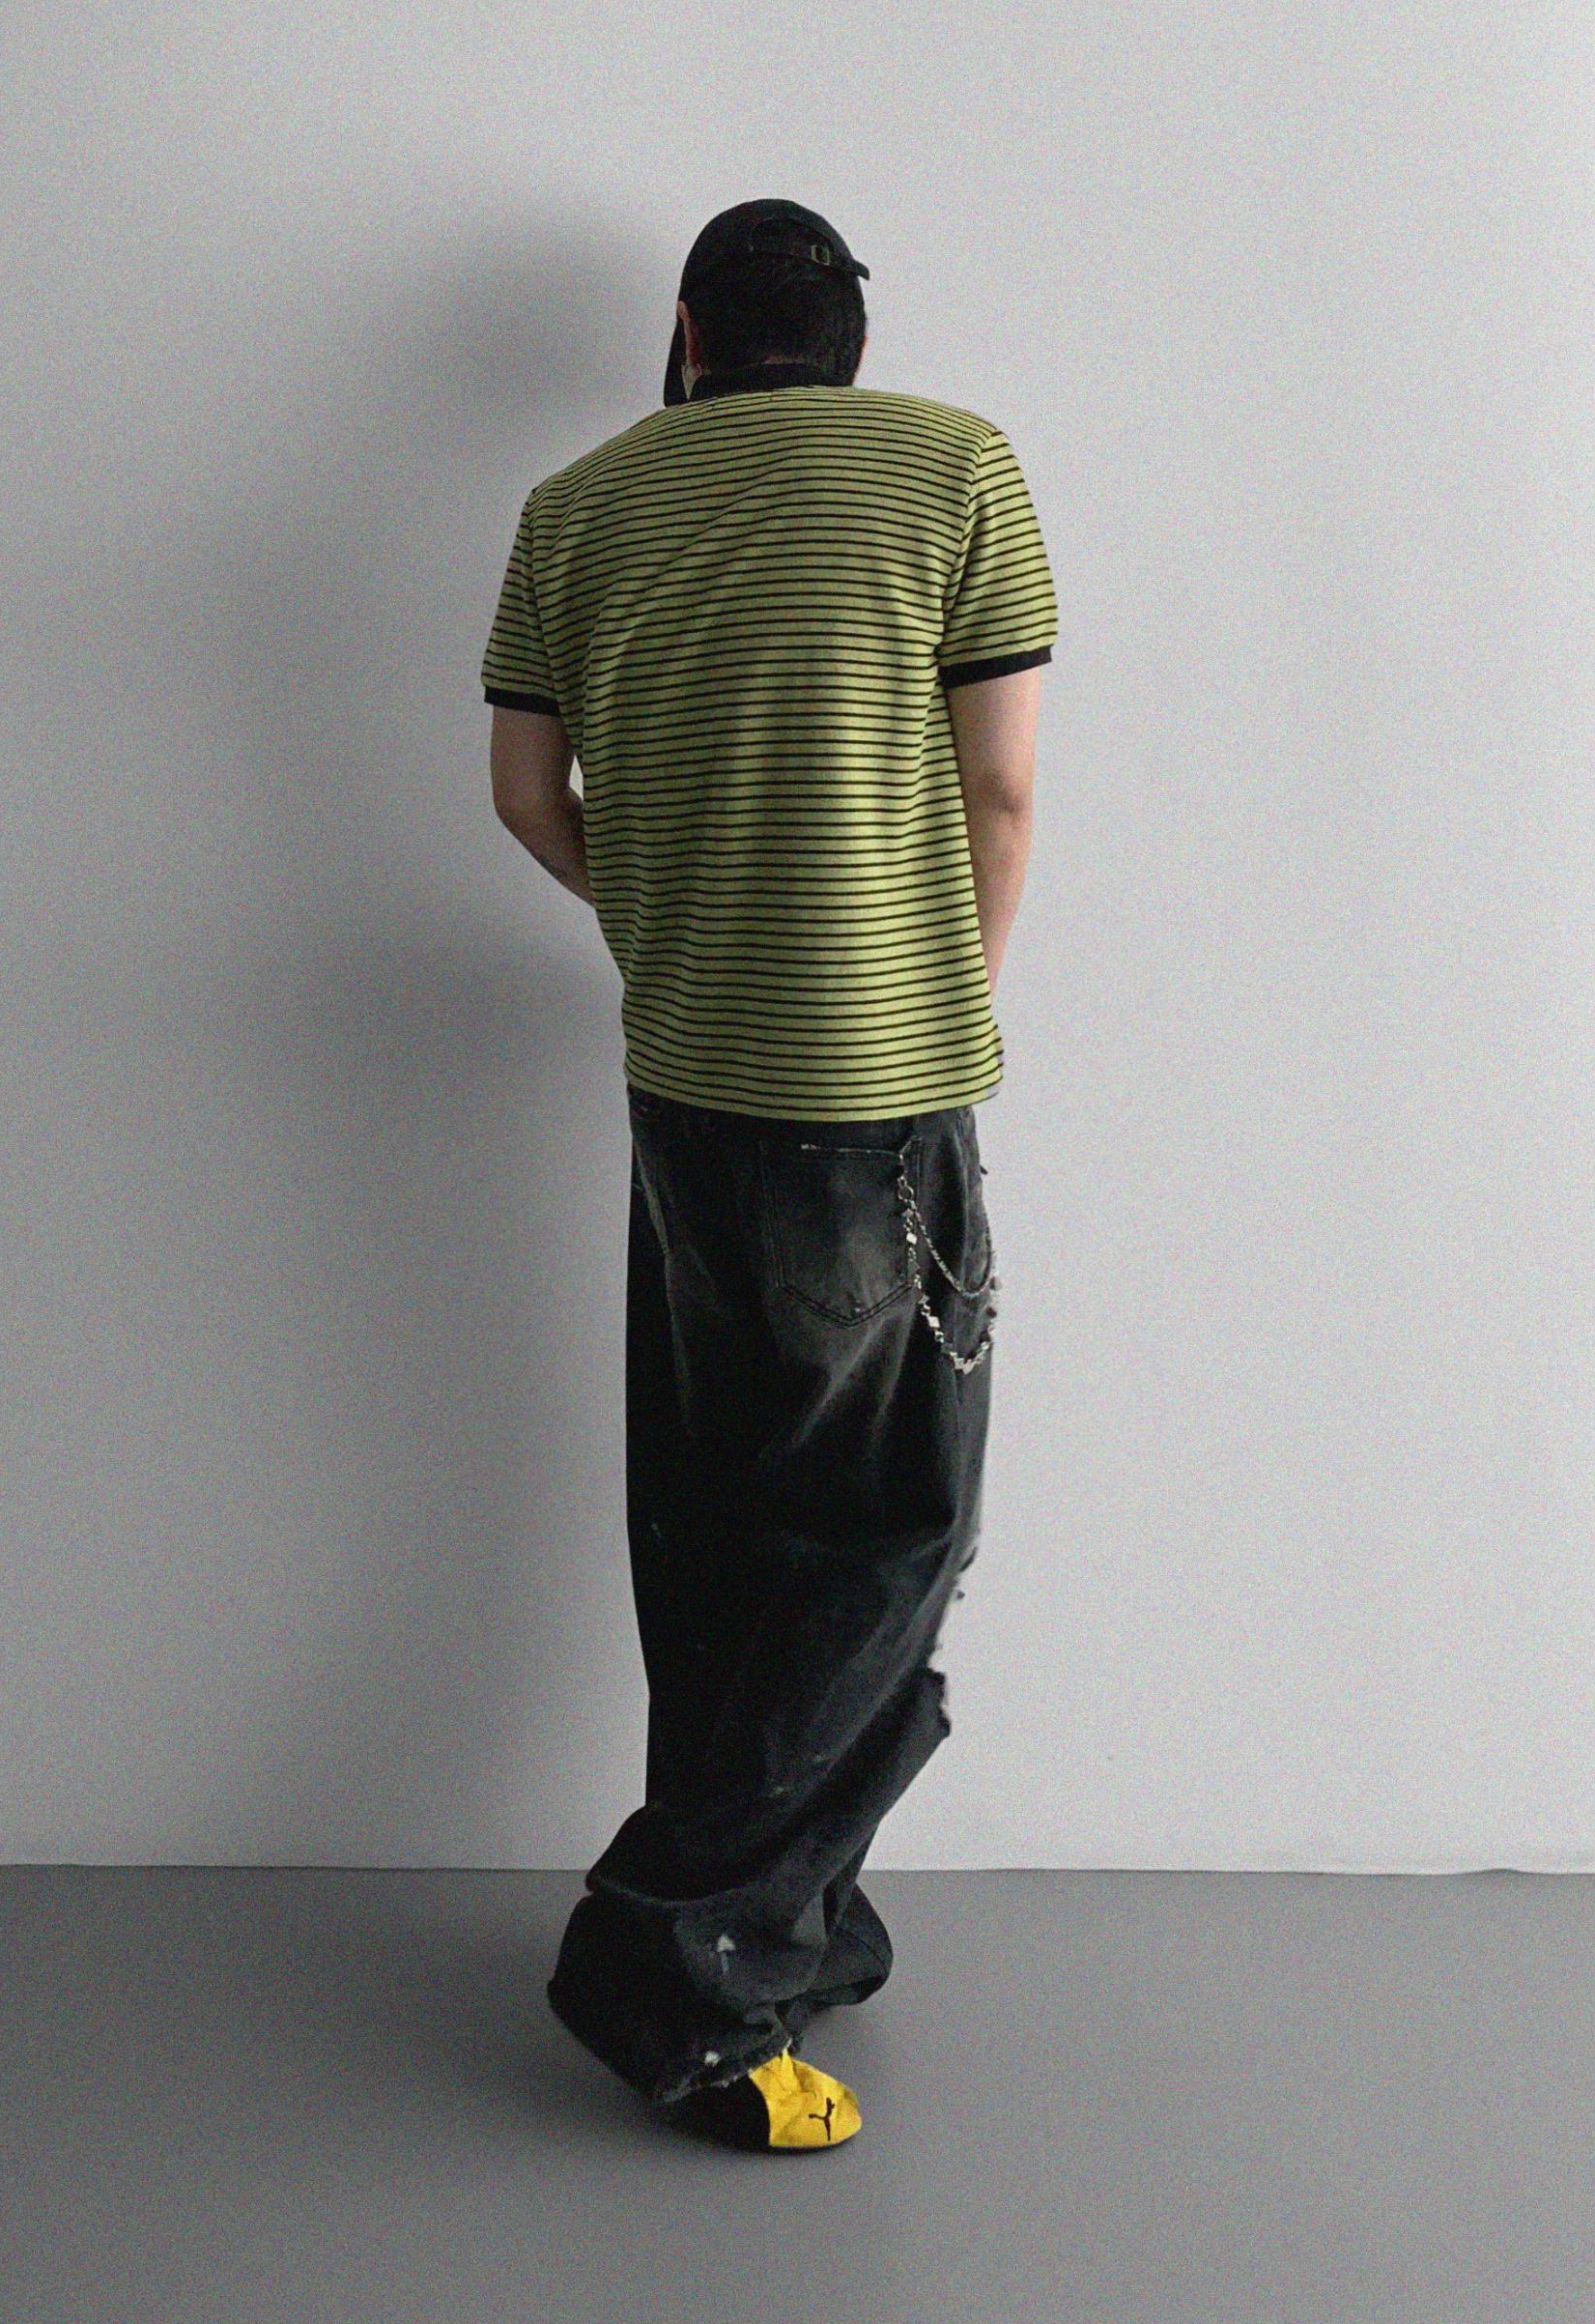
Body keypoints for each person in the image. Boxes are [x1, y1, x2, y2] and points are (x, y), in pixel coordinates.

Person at [480, 198, 1056, 2153]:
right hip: (870, 1087)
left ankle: (789, 1913)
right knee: (887, 1527)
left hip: (687, 1076)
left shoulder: (576, 504)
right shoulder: (955, 466)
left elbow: (525, 795)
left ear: (688, 329)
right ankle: (679, 1958)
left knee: (725, 1517)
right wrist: (944, 990)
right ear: (851, 334)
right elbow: (999, 784)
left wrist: (667, 925)